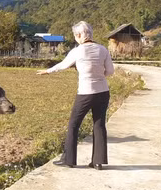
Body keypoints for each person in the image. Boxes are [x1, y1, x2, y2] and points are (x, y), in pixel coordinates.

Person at [37, 21, 115, 170]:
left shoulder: (78, 51)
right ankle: (98, 162)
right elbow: (110, 72)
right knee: (99, 124)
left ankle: (69, 159)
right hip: (103, 92)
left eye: (75, 36)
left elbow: (63, 65)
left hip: (86, 92)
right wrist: (99, 75)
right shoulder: (103, 49)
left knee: (73, 124)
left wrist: (47, 71)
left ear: (79, 35)